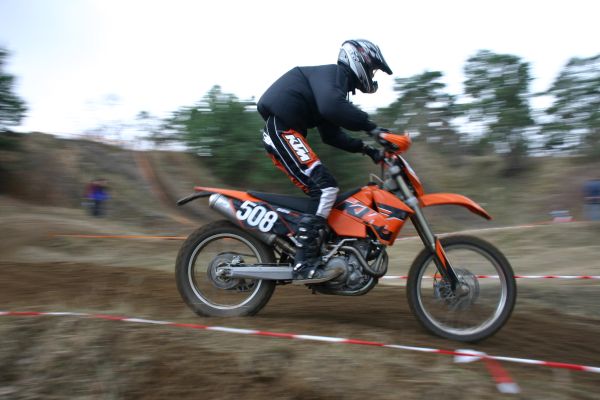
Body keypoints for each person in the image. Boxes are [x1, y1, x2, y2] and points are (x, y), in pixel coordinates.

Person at [257, 39, 393, 280]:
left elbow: (332, 135)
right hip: (282, 130)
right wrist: (373, 128)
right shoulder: (333, 75)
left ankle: (309, 247)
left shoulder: (331, 88)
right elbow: (332, 107)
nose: (372, 75)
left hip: (287, 132)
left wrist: (367, 149)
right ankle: (304, 263)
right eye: (372, 69)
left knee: (324, 190)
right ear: (359, 60)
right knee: (325, 188)